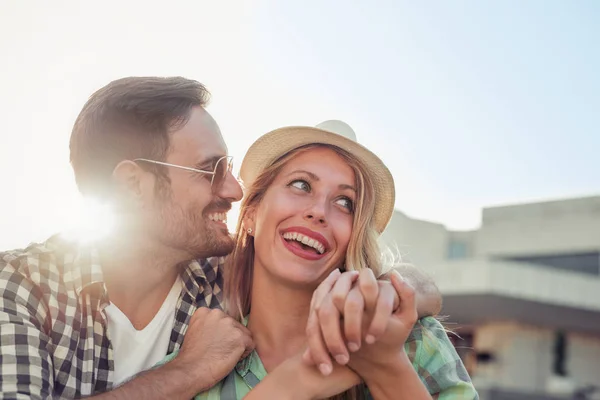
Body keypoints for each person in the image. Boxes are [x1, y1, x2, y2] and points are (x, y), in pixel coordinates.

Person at [0, 77, 441, 399]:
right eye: (211, 170)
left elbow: (417, 286)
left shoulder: (218, 278)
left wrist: (379, 298)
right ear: (134, 185)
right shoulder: (23, 287)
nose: (233, 189)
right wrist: (188, 371)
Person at [161, 121, 478, 399]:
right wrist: (297, 381)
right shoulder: (198, 364)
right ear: (251, 215)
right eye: (301, 185)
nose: (319, 212)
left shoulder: (414, 341)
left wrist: (386, 367)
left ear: (353, 237)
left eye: (344, 202)